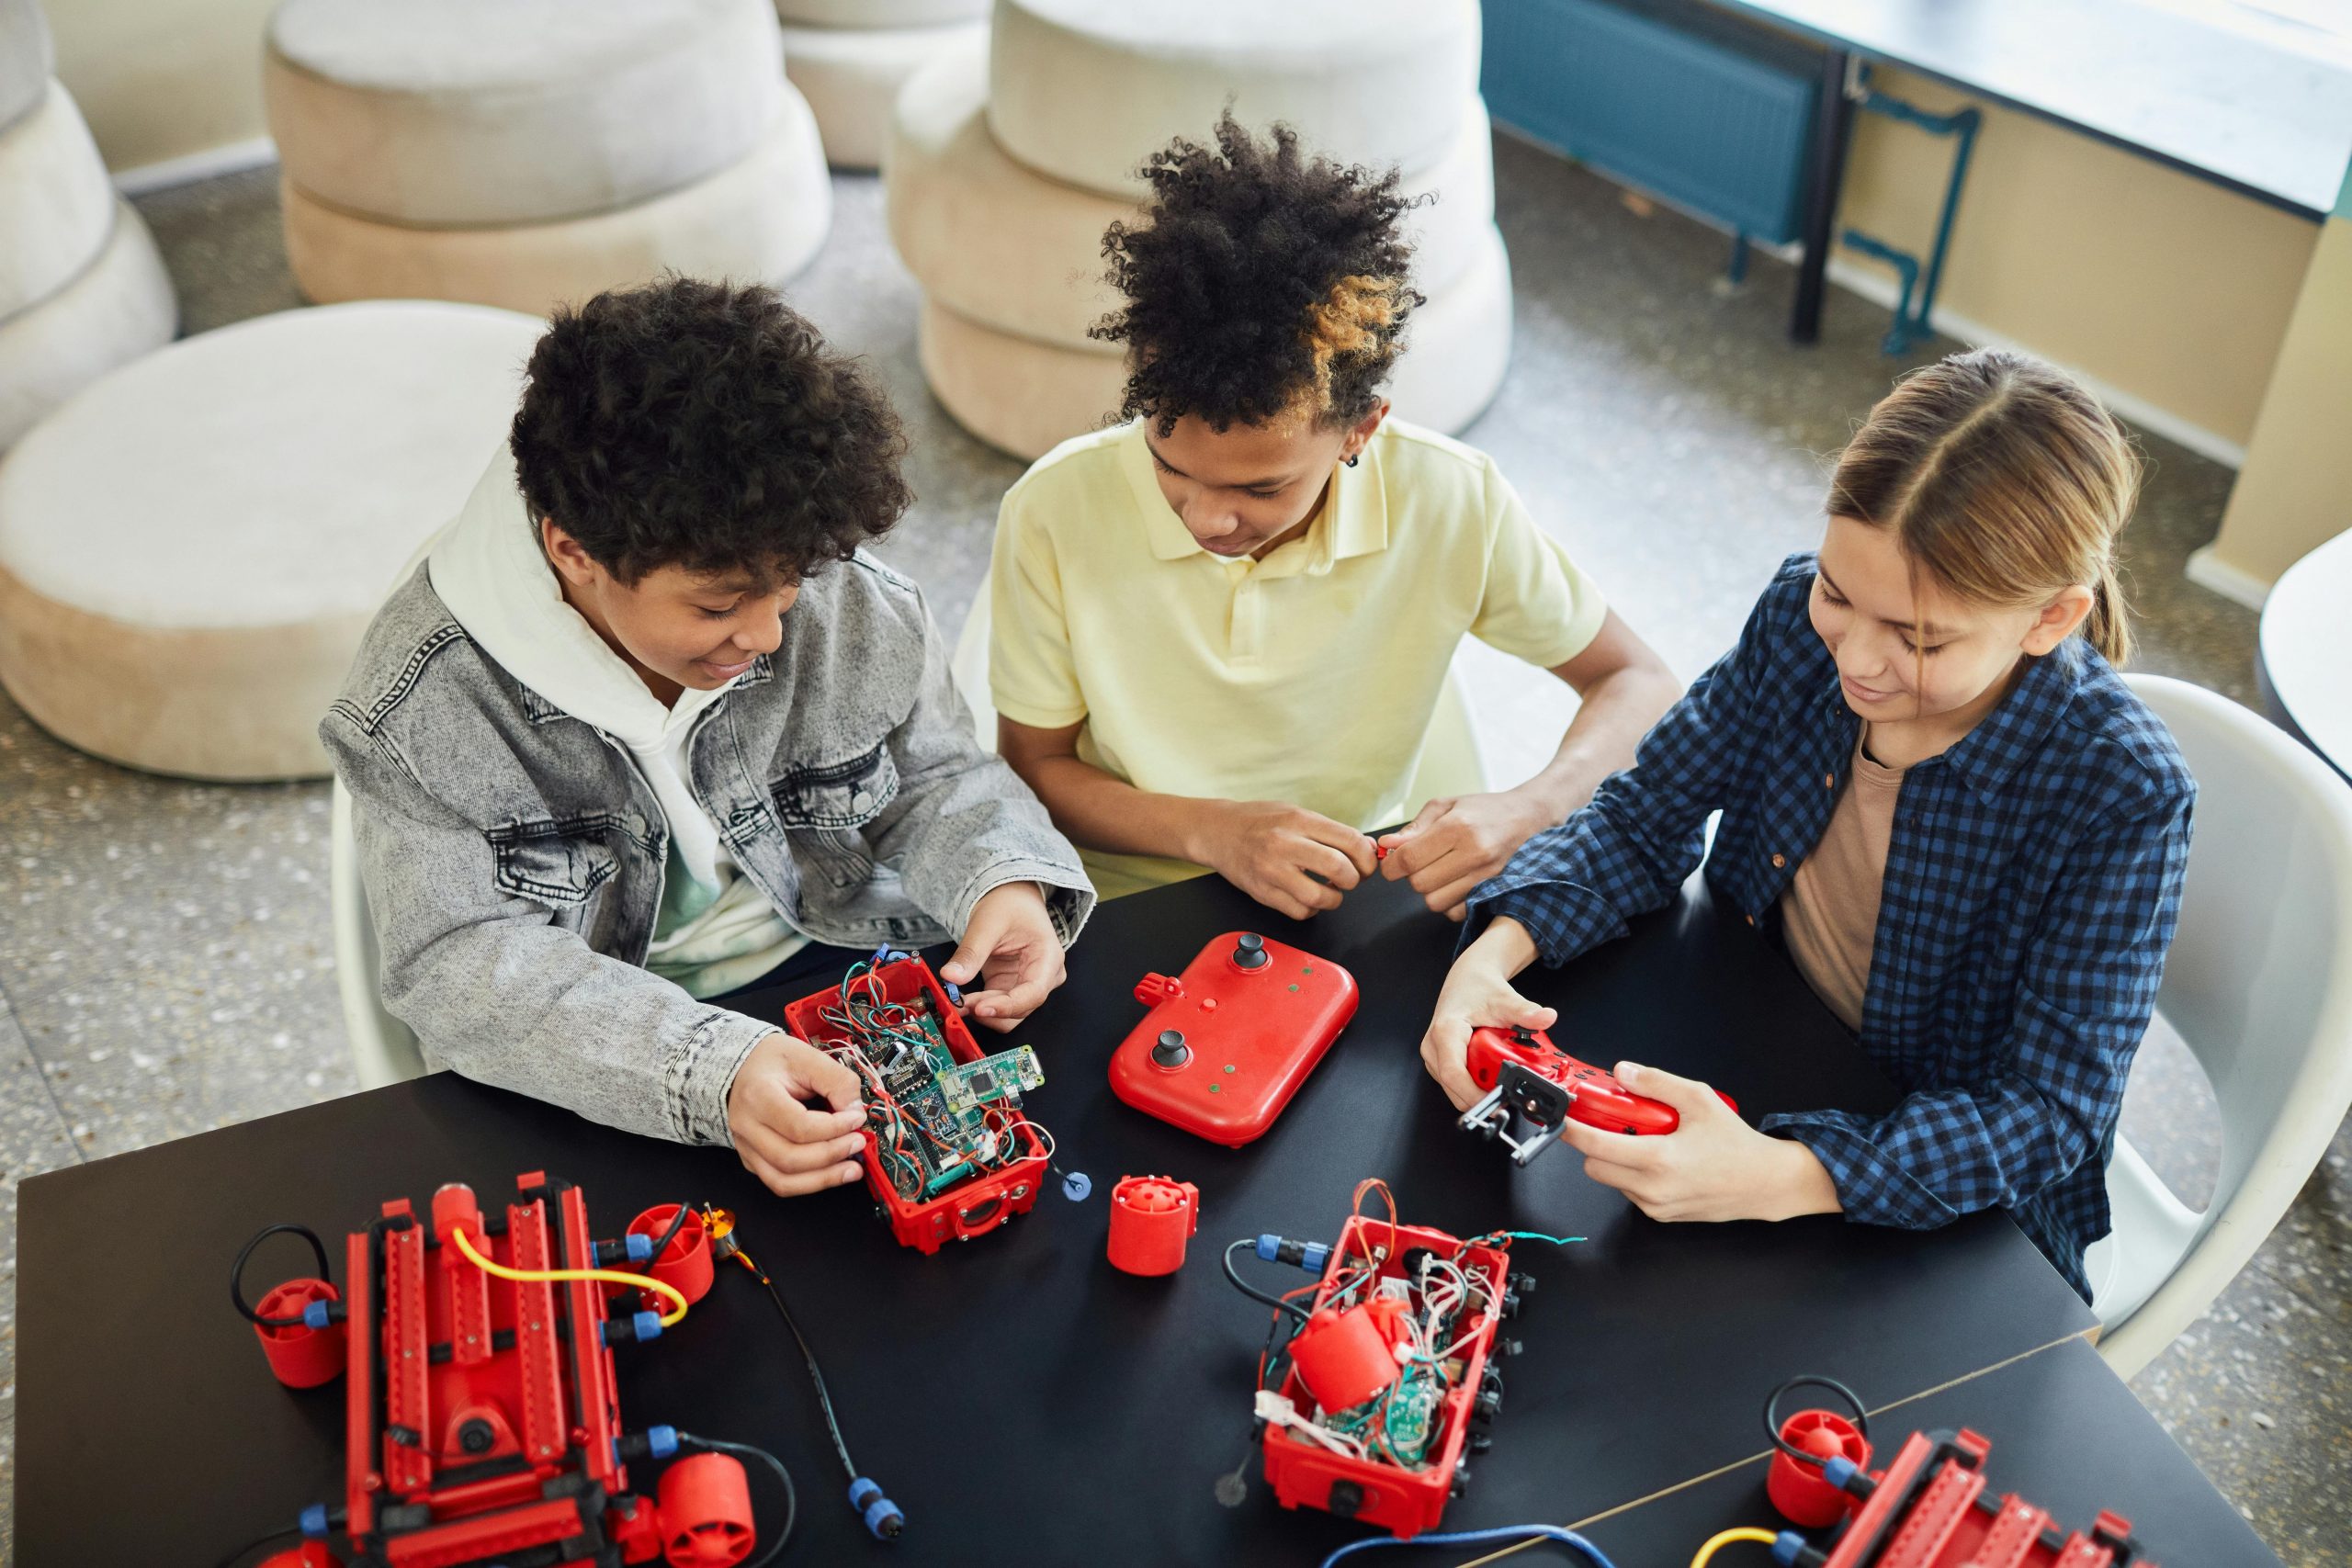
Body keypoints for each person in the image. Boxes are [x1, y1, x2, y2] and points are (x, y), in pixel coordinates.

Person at [1419, 349, 2193, 1299]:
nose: (1856, 663)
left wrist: (1789, 1176)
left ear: (2050, 619)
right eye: (1839, 593)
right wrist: (1489, 959)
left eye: (1918, 638)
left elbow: (2046, 1115)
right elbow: (1641, 816)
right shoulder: (1794, 617)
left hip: (1932, 1182)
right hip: (1747, 1034)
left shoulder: (2123, 791)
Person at [323, 276, 1094, 1199]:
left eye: (790, 586)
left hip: (844, 953)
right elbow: (460, 965)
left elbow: (933, 774)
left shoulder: (835, 586)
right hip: (605, 1034)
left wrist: (1000, 878)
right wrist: (708, 1071)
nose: (769, 635)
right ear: (573, 549)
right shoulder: (418, 708)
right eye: (719, 605)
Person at [988, 114, 1679, 920]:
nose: (1208, 519)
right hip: (1126, 903)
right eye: (1170, 467)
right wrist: (1218, 833)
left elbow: (1639, 679)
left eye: (1262, 489)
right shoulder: (1054, 507)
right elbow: (1034, 767)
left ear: (1363, 428)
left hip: (1352, 897)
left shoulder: (1451, 498)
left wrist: (1534, 804)